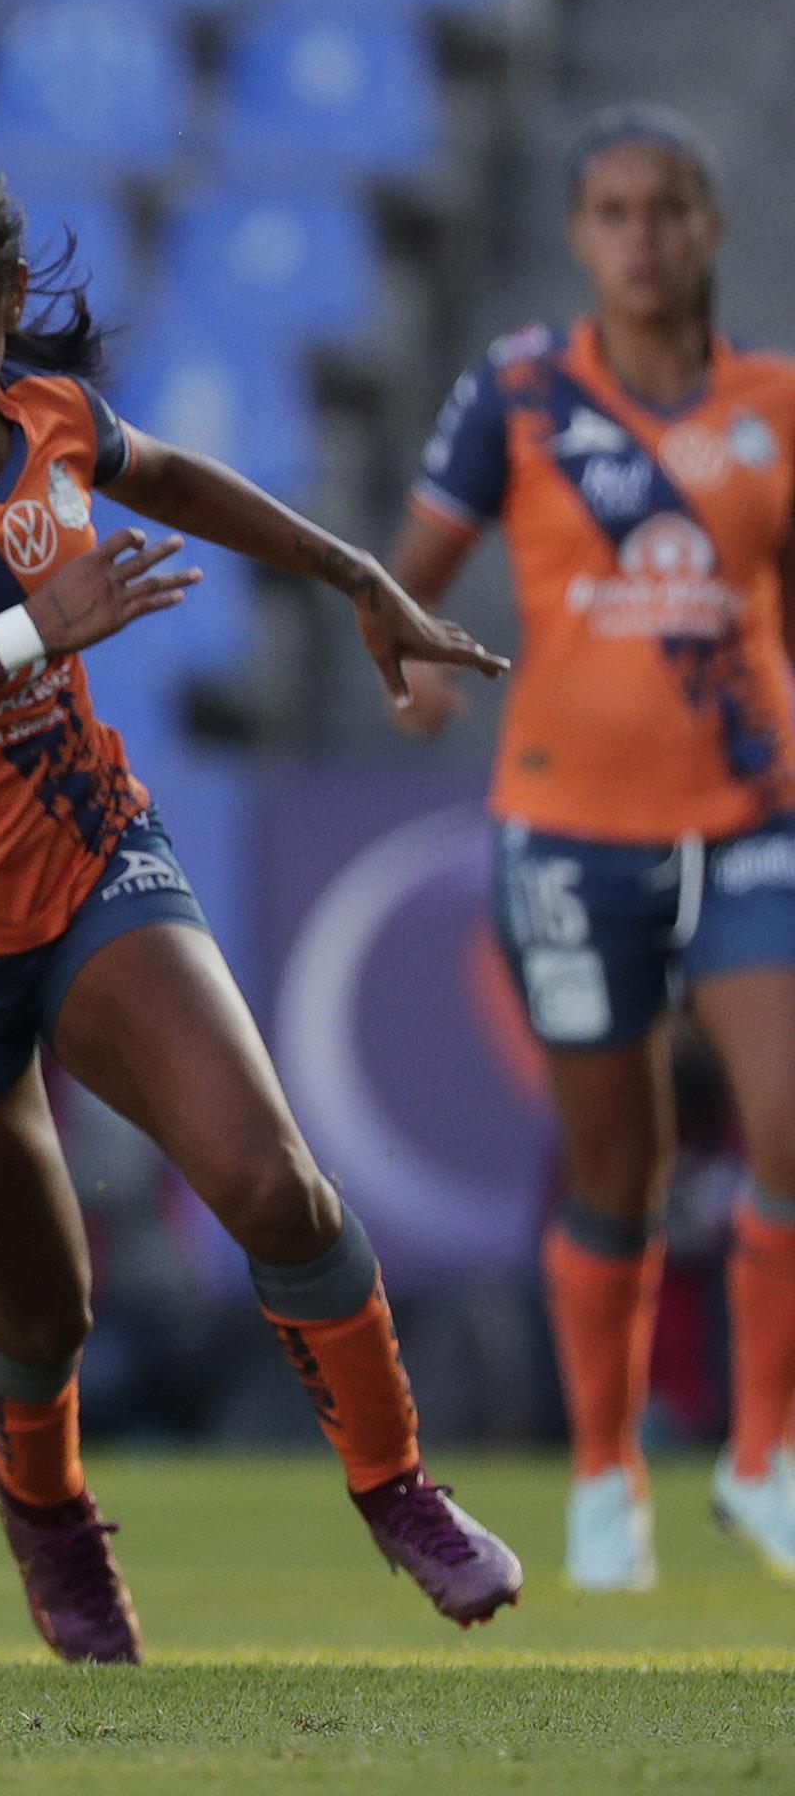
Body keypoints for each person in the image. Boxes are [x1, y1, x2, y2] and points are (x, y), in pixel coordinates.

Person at [0, 139, 524, 1664]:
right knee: (46, 1310)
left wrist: (354, 571)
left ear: (7, 299)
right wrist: (35, 633)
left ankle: (399, 1489)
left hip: (83, 854)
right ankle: (52, 1523)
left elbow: (159, 470)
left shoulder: (48, 415)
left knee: (270, 1182)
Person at [386, 106, 795, 1590]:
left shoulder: (777, 404)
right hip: (570, 835)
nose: (644, 236)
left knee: (789, 1123)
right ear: (578, 236)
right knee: (620, 1167)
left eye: (669, 208)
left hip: (751, 823)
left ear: (710, 227)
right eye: (616, 210)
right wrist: (420, 668)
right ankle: (609, 1473)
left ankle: (762, 1460)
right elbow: (405, 575)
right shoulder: (518, 395)